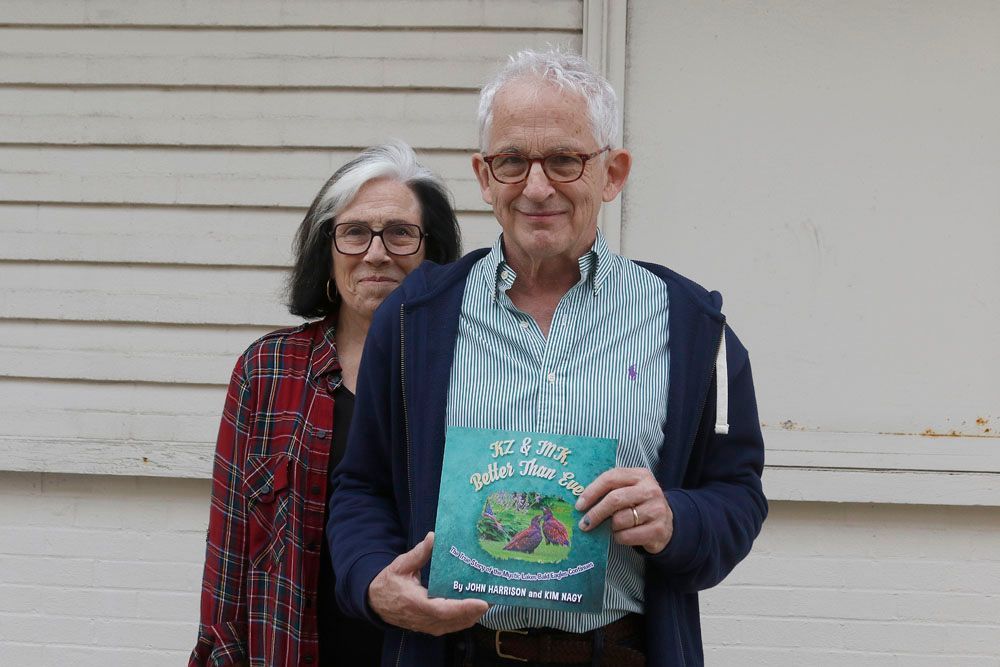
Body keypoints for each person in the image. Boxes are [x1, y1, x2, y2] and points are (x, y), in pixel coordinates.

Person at [329, 51, 767, 667]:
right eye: (512, 161)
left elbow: (738, 494)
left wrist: (677, 518)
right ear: (484, 176)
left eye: (565, 160)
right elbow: (361, 488)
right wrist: (372, 579)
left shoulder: (693, 327)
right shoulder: (414, 320)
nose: (537, 188)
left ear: (613, 173)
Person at [189, 141, 462, 667]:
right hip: (291, 648)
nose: (376, 253)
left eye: (401, 233)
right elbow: (229, 546)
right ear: (327, 249)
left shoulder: (470, 373)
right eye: (355, 232)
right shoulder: (268, 371)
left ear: (433, 253)